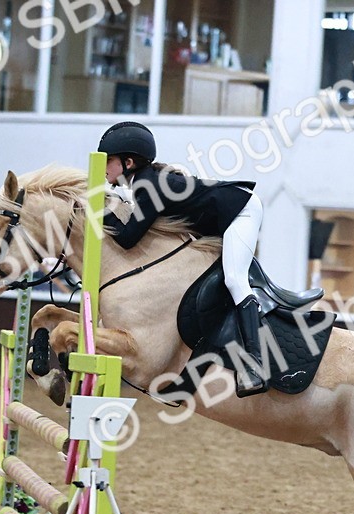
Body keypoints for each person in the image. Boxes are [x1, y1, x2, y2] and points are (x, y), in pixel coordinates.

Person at [97, 121, 268, 397]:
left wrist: (98, 210)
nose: (103, 166)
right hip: (226, 215)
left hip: (242, 210)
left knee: (235, 280)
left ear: (128, 162)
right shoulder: (142, 183)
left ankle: (254, 366)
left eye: (108, 160)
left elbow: (128, 238)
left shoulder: (148, 185)